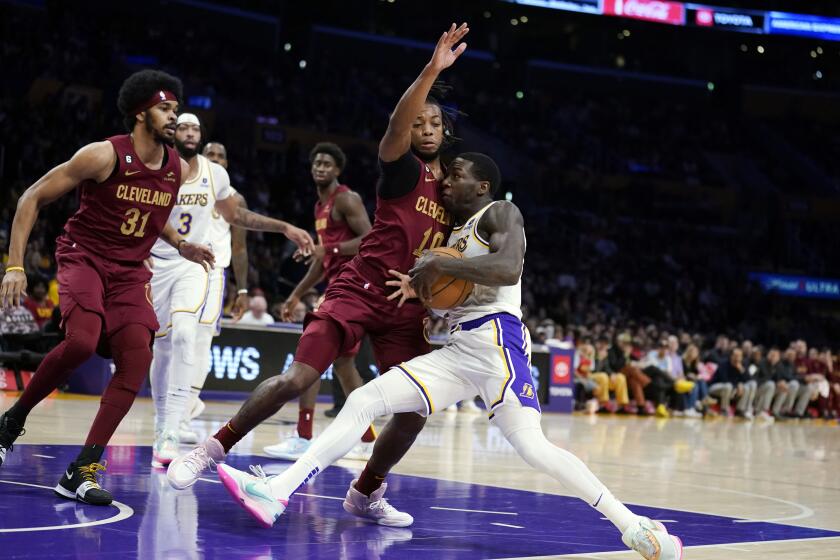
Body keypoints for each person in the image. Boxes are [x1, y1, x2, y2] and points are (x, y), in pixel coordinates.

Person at [214, 152, 683, 560]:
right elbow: (447, 289)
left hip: (498, 344)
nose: (447, 181)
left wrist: (442, 265)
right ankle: (277, 492)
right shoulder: (453, 234)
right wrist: (417, 286)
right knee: (364, 401)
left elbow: (508, 267)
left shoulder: (502, 212)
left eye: (456, 175)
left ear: (481, 185)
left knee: (533, 448)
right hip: (459, 348)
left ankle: (631, 525)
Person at [167, 25, 467, 530]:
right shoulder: (402, 171)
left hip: (406, 307)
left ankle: (366, 492)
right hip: (360, 286)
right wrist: (431, 72)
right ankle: (213, 447)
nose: (426, 127)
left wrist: (424, 287)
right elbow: (397, 123)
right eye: (420, 122)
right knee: (298, 378)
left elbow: (451, 256)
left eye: (435, 122)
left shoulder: (456, 198)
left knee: (416, 410)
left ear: (447, 133)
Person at [0, 70, 216, 505]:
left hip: (131, 271)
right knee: (81, 342)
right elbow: (32, 198)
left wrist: (181, 245)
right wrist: (15, 265)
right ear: (141, 113)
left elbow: (153, 219)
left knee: (138, 358)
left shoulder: (175, 166)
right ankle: (12, 421)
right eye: (165, 108)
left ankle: (81, 470)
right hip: (85, 257)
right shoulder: (103, 155)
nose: (173, 116)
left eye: (175, 108)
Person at [148, 113, 313, 468]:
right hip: (158, 263)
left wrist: (284, 227)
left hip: (199, 265)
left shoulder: (215, 175)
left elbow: (239, 219)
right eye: (184, 128)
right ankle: (163, 421)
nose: (190, 132)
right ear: (173, 133)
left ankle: (173, 429)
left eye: (195, 128)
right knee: (163, 346)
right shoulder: (157, 167)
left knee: (186, 335)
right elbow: (143, 213)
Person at [263, 142, 375, 461]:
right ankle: (368, 439)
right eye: (316, 163)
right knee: (342, 364)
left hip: (353, 284)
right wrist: (296, 293)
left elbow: (370, 239)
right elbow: (319, 260)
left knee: (310, 353)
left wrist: (331, 250)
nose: (320, 167)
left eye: (327, 163)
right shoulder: (319, 207)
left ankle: (303, 436)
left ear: (338, 170)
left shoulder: (347, 199)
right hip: (339, 284)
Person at [175, 140, 251, 444]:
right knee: (177, 337)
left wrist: (242, 289)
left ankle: (186, 409)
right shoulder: (183, 184)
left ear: (227, 164)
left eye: (222, 155)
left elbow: (240, 247)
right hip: (180, 267)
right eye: (211, 154)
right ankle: (177, 407)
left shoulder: (235, 199)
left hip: (214, 273)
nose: (216, 158)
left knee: (201, 340)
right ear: (202, 159)